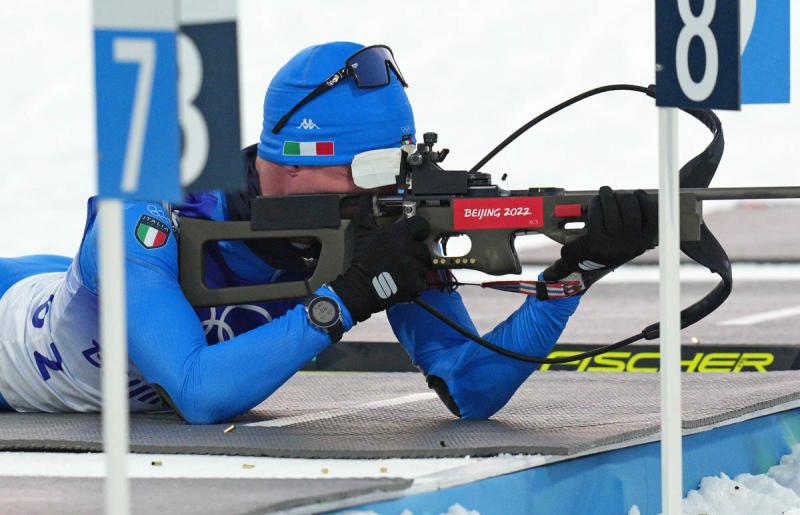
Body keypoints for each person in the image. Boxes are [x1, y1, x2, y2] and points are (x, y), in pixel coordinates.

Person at [0, 42, 655, 424]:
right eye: (368, 171)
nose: (383, 194)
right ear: (288, 162)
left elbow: (470, 387)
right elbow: (198, 391)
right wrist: (342, 301)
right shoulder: (148, 213)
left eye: (398, 169)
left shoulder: (372, 228)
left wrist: (571, 278)